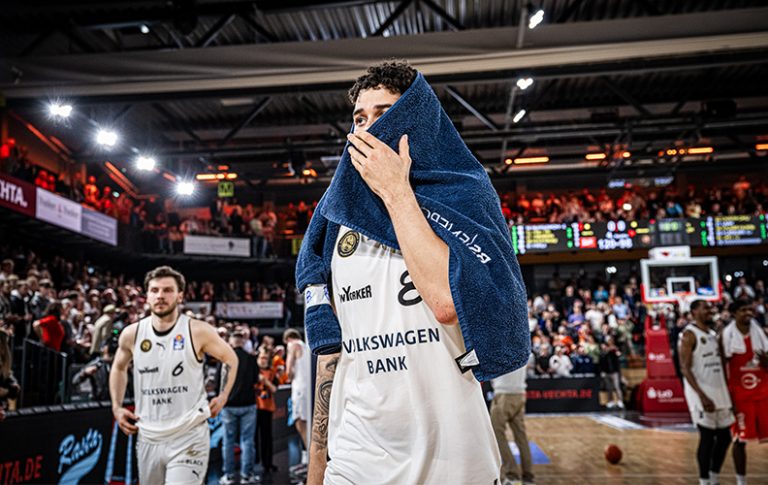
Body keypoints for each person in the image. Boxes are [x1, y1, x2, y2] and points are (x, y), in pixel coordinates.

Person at [303, 60, 511, 485]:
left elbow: (445, 301)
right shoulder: (334, 220)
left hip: (451, 456)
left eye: (384, 114)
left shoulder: (463, 197)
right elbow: (331, 351)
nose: (367, 129)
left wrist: (396, 190)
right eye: (360, 119)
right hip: (356, 451)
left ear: (414, 120)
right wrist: (317, 466)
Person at [109, 265, 239, 485]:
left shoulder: (197, 330)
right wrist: (117, 406)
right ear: (147, 296)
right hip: (148, 436)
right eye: (155, 290)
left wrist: (223, 395)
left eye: (168, 290)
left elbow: (230, 359)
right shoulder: (132, 333)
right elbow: (118, 368)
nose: (160, 295)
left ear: (180, 295)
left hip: (189, 434)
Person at [679, 300, 734, 485]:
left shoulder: (713, 334)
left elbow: (722, 366)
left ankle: (714, 476)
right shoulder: (689, 334)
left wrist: (728, 392)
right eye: (705, 308)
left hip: (719, 391)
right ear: (694, 312)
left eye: (711, 308)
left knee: (725, 437)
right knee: (708, 437)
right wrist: (701, 396)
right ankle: (704, 481)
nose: (710, 311)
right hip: (701, 394)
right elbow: (685, 368)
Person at [721, 300, 768, 485]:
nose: (748, 313)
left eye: (750, 309)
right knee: (739, 440)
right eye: (743, 310)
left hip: (763, 393)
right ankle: (741, 481)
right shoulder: (726, 336)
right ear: (734, 313)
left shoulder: (761, 334)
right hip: (740, 395)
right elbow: (722, 367)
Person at [219, 330, 260, 485]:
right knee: (248, 441)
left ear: (230, 342)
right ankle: (246, 475)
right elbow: (256, 380)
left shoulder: (225, 359)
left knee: (228, 442)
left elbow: (218, 383)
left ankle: (228, 476)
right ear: (242, 342)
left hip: (228, 405)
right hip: (248, 403)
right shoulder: (251, 359)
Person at [491, 365, 535, 485]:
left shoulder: (499, 347)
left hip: (504, 394)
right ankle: (528, 476)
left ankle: (512, 474)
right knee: (521, 436)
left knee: (496, 433)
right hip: (520, 394)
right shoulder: (523, 346)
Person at [283, 328, 310, 475]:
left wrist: (288, 375)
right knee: (308, 423)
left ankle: (309, 461)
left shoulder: (293, 346)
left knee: (300, 423)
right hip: (308, 388)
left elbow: (289, 371)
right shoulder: (306, 346)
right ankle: (307, 459)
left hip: (299, 388)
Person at [72, 334, 118, 401]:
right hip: (99, 400)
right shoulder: (96, 364)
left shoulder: (120, 363)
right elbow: (75, 381)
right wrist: (84, 373)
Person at [255, 349, 278, 477]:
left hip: (267, 407)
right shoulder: (253, 371)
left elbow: (275, 388)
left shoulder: (272, 372)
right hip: (254, 407)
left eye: (265, 358)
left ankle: (268, 463)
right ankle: (254, 464)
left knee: (267, 437)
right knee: (252, 438)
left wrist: (265, 381)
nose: (263, 360)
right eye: (261, 357)